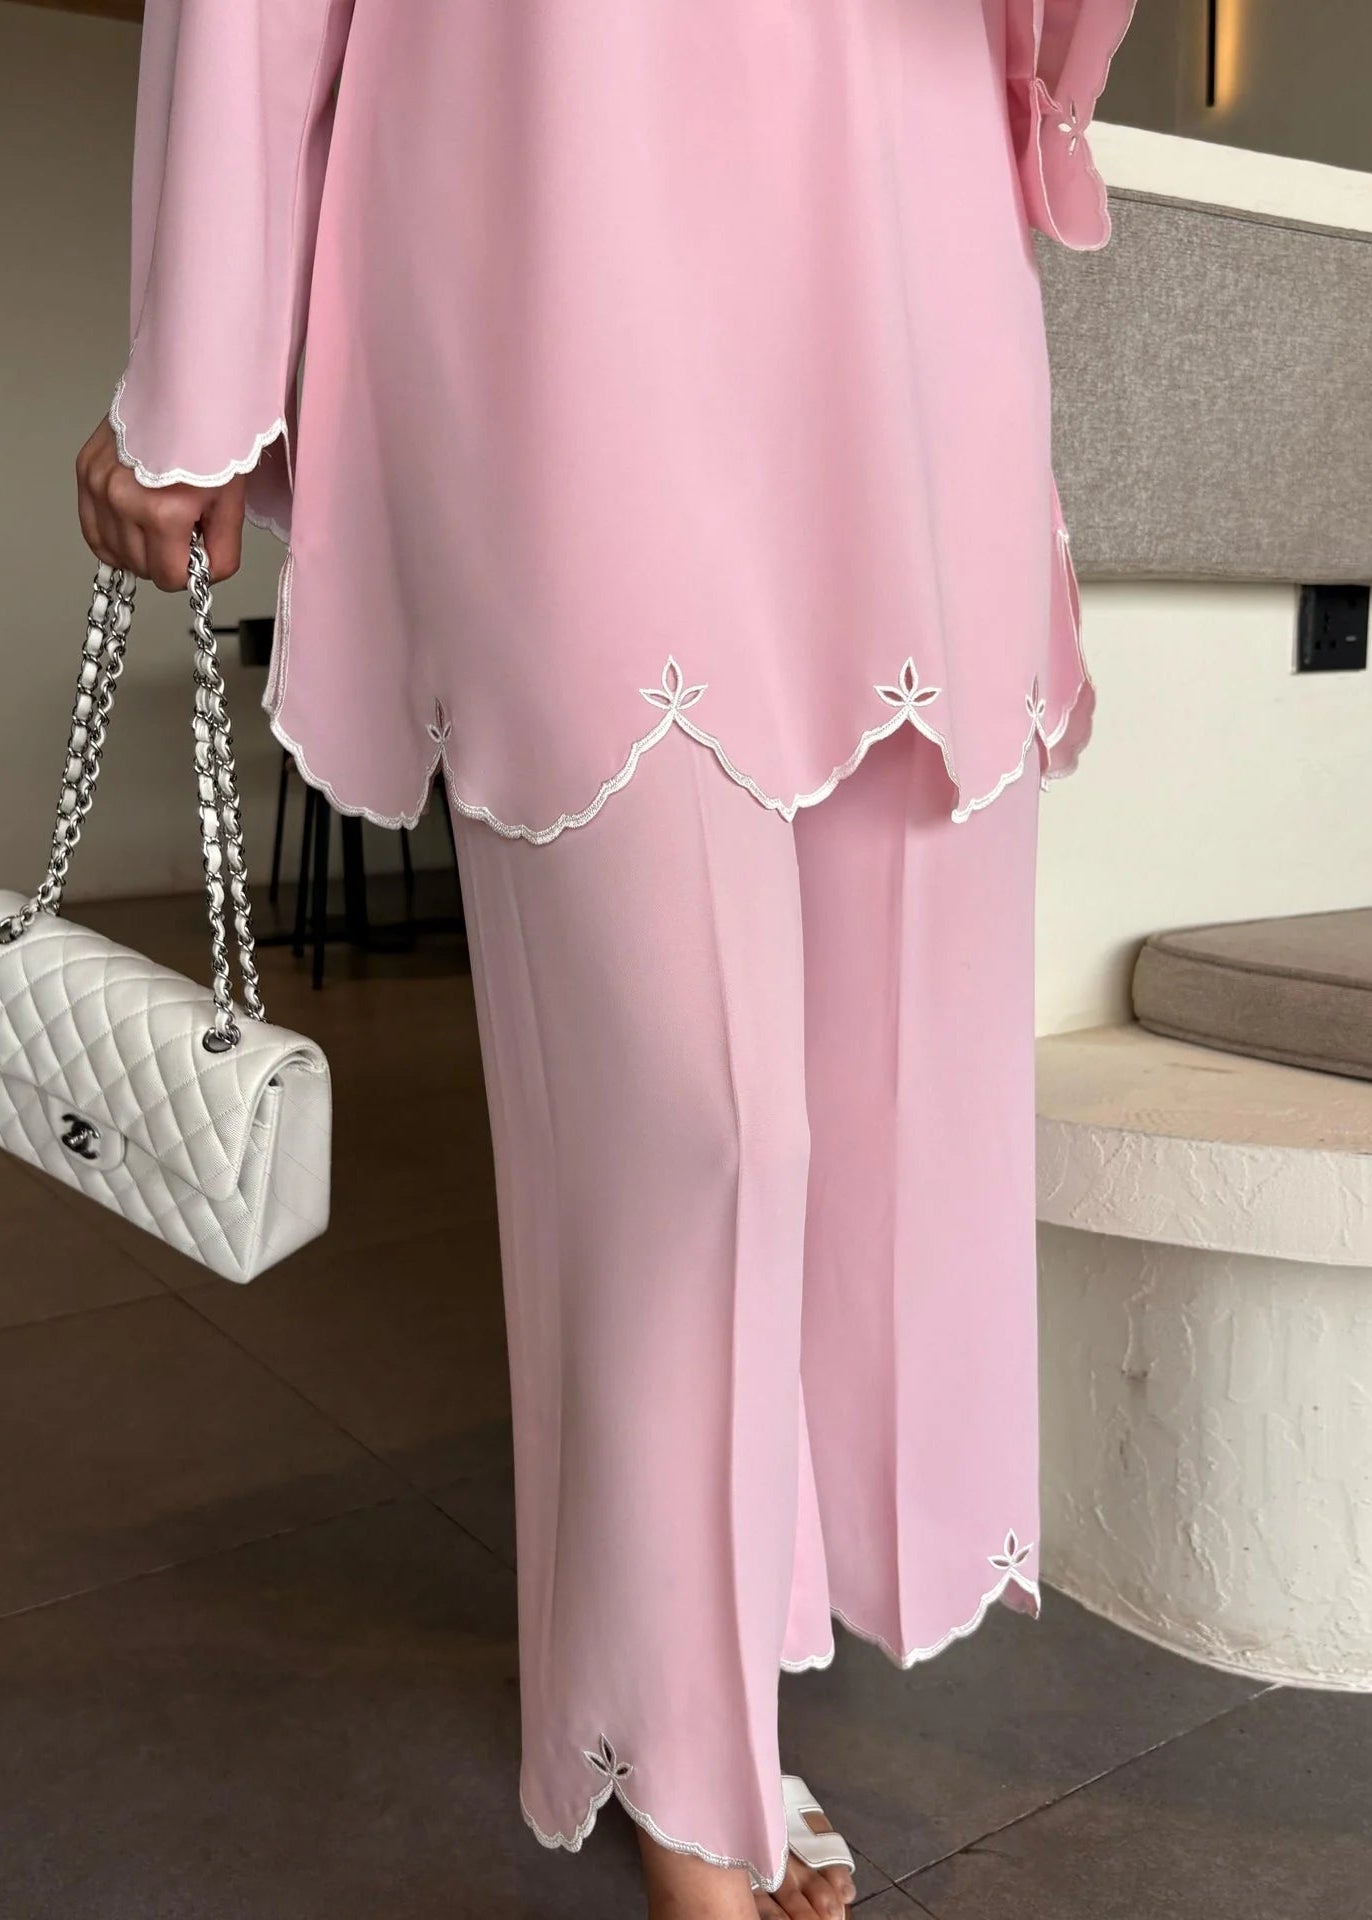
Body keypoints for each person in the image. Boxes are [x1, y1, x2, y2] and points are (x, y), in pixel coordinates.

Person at [75, 4, 1136, 1915]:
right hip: (553, 227)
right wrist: (199, 361)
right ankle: (679, 1752)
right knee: (699, 1123)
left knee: (890, 1069)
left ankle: (721, 1685)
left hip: (897, 242)